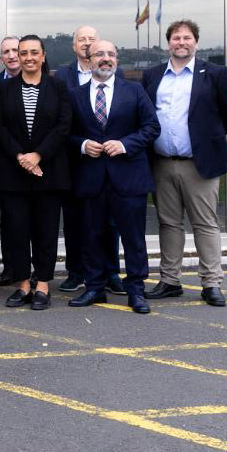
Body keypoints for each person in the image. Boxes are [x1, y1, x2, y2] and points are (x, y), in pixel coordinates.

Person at [142, 20, 227, 307]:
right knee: (168, 223)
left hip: (200, 163)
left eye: (187, 38)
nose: (181, 42)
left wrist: (207, 137)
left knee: (205, 223)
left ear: (196, 42)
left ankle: (211, 283)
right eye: (176, 38)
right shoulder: (152, 75)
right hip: (161, 162)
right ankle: (170, 280)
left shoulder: (215, 74)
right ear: (168, 42)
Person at [67, 41, 160, 315]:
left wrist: (125, 144)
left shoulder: (135, 90)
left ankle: (136, 290)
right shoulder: (75, 95)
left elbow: (152, 126)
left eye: (110, 54)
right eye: (99, 54)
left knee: (133, 238)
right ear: (89, 59)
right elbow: (65, 134)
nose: (105, 59)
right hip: (91, 177)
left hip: (128, 176)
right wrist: (83, 144)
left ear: (116, 59)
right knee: (92, 235)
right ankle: (94, 287)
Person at [0, 35, 71, 311]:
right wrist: (20, 157)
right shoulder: (4, 89)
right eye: (23, 53)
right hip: (13, 173)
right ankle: (23, 284)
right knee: (16, 231)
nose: (28, 57)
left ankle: (44, 284)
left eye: (34, 52)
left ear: (43, 55)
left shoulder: (58, 87)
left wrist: (38, 155)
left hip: (49, 172)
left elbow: (63, 125)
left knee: (46, 231)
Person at [55, 25, 126, 295]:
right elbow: (60, 120)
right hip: (76, 161)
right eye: (81, 39)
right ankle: (76, 272)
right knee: (74, 221)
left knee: (110, 222)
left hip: (110, 162)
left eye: (91, 39)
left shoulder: (115, 77)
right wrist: (82, 144)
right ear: (74, 47)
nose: (86, 43)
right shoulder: (62, 77)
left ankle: (111, 273)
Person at [0, 35, 22, 286]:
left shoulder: (44, 83)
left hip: (36, 161)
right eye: (6, 52)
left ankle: (32, 268)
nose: (12, 55)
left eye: (16, 50)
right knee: (8, 219)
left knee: (33, 219)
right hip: (5, 161)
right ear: (1, 57)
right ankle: (10, 267)